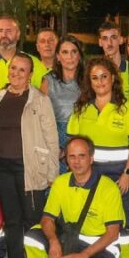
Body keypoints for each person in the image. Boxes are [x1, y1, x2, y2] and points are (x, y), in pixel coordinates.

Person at [68, 58, 129, 258]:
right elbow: (73, 142)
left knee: (122, 225)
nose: (100, 82)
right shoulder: (82, 107)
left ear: (113, 79)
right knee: (95, 222)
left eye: (104, 76)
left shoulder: (127, 108)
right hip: (91, 173)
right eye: (94, 77)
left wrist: (128, 173)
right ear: (89, 82)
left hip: (118, 173)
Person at [0, 53, 59, 258]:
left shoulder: (39, 100)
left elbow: (51, 138)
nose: (16, 73)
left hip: (30, 167)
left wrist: (52, 172)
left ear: (30, 75)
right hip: (2, 165)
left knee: (32, 218)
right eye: (13, 68)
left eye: (22, 70)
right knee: (12, 218)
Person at [23, 136, 123, 258]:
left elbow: (113, 234)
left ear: (91, 158)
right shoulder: (61, 183)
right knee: (32, 238)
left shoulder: (108, 188)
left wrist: (82, 256)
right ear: (66, 160)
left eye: (82, 156)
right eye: (72, 157)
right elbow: (47, 218)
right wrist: (53, 241)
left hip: (102, 244)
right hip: (72, 237)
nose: (77, 162)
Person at [42, 35, 84, 172]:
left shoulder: (90, 80)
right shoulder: (48, 81)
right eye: (65, 52)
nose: (70, 56)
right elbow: (40, 116)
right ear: (58, 57)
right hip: (56, 141)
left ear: (79, 55)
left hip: (84, 138)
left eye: (74, 51)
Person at [0, 15, 47, 95]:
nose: (4, 35)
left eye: (9, 31)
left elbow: (45, 98)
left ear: (18, 34)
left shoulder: (34, 63)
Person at [98, 21, 129, 98]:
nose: (109, 43)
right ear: (100, 42)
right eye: (105, 38)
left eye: (113, 37)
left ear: (121, 40)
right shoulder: (94, 71)